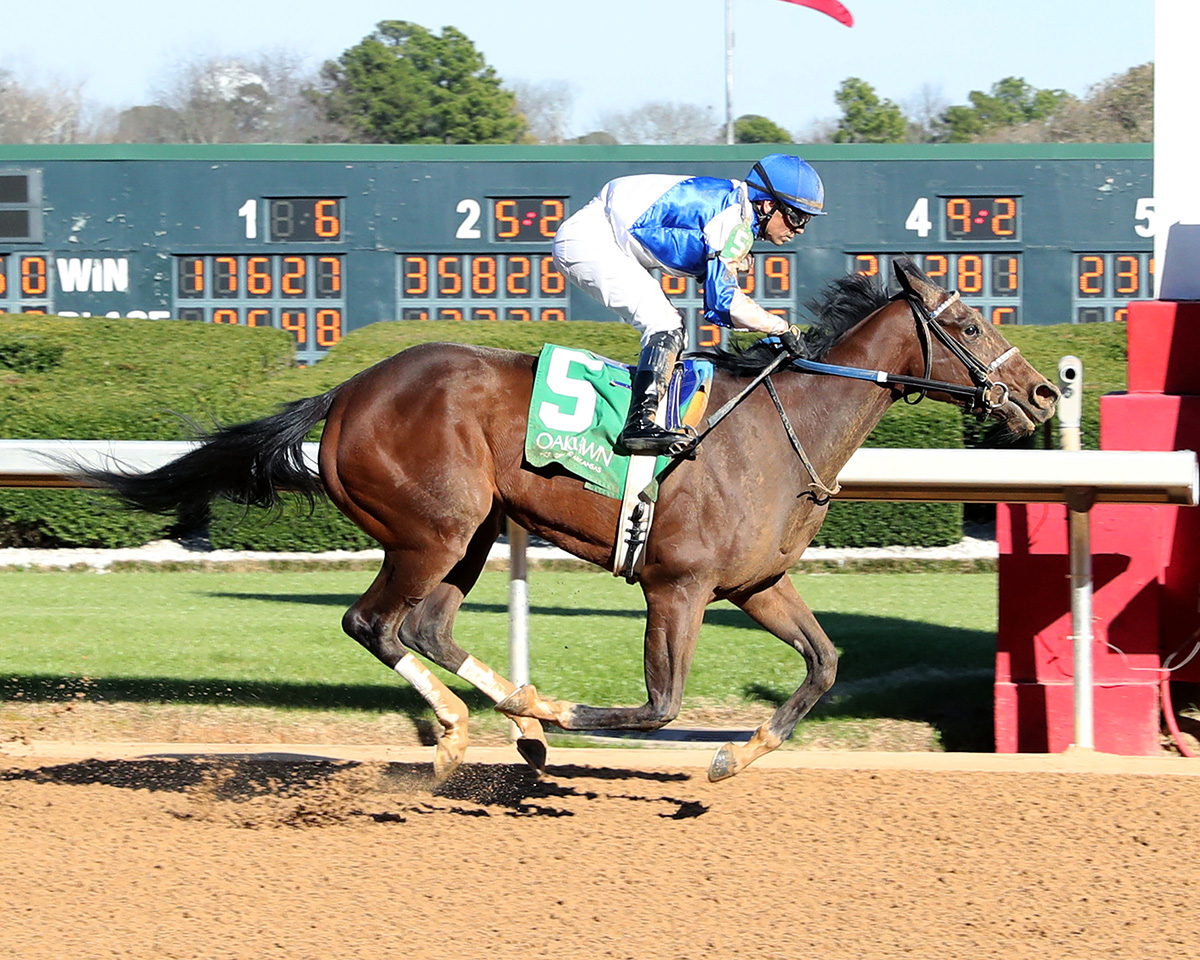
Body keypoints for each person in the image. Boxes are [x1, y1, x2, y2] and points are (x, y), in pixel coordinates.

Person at [552, 153, 825, 455]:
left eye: (806, 220)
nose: (799, 229)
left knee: (672, 324)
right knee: (665, 323)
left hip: (600, 233)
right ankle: (639, 425)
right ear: (768, 204)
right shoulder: (733, 220)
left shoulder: (733, 207)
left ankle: (653, 416)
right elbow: (723, 303)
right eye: (796, 217)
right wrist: (782, 328)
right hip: (592, 240)